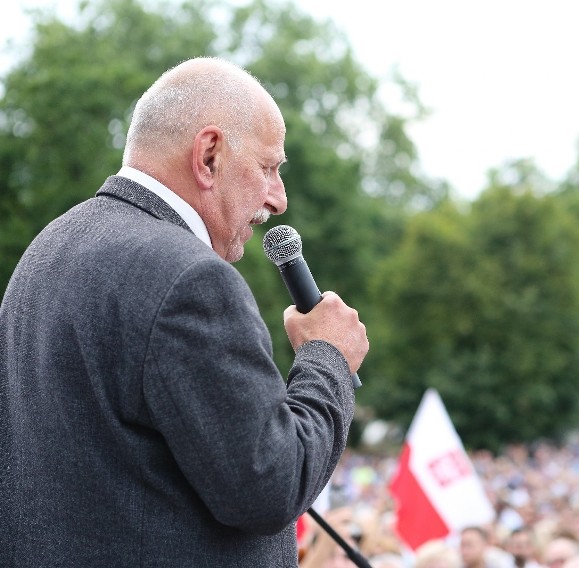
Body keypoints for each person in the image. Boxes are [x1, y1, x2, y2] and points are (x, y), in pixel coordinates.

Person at [0, 56, 369, 567]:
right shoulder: (190, 279)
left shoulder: (48, 248)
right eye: (267, 168)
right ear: (209, 155)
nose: (278, 199)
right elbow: (269, 484)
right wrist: (328, 356)